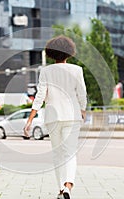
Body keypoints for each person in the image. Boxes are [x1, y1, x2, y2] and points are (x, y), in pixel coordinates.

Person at [23, 35, 87, 199]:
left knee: (57, 153)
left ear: (51, 53)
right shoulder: (76, 70)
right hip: (72, 116)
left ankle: (60, 188)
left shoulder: (46, 71)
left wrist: (30, 119)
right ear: (69, 52)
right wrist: (83, 109)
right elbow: (82, 93)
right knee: (70, 153)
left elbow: (40, 96)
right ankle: (68, 186)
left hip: (52, 117)